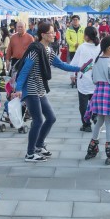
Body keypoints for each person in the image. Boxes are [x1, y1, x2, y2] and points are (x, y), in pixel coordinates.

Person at [11, 21, 81, 161]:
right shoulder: (36, 50)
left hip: (40, 88)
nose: (54, 35)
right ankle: (30, 153)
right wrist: (18, 88)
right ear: (43, 35)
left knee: (51, 118)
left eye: (54, 32)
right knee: (38, 120)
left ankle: (39, 145)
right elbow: (24, 70)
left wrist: (79, 68)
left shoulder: (48, 50)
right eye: (51, 32)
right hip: (30, 88)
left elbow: (61, 65)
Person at [84, 35, 110, 164]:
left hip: (97, 92)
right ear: (109, 48)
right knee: (109, 122)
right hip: (107, 94)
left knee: (99, 120)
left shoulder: (96, 61)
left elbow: (94, 79)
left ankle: (92, 146)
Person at [71, 26, 101, 133]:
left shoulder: (82, 47)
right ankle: (95, 116)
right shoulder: (100, 47)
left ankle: (86, 125)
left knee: (83, 105)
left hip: (83, 80)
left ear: (87, 36)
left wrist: (72, 74)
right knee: (95, 102)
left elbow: (74, 62)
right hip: (97, 80)